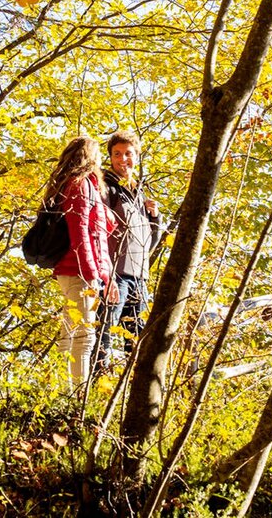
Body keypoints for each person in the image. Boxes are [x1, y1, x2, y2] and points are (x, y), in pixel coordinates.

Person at [46, 136, 119, 386]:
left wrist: (106, 276)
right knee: (83, 337)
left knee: (72, 333)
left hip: (76, 270)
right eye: (98, 155)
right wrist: (93, 274)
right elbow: (80, 235)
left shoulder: (84, 186)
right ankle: (76, 395)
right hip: (78, 271)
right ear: (90, 157)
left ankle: (64, 391)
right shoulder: (80, 185)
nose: (101, 161)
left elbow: (96, 234)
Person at [97, 131, 162, 370]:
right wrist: (108, 274)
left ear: (137, 155)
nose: (122, 159)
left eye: (128, 153)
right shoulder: (107, 188)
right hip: (115, 275)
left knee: (136, 337)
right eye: (117, 154)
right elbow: (98, 231)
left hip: (139, 276)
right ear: (110, 157)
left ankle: (131, 389)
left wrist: (155, 218)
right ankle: (96, 384)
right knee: (106, 329)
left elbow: (148, 243)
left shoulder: (139, 192)